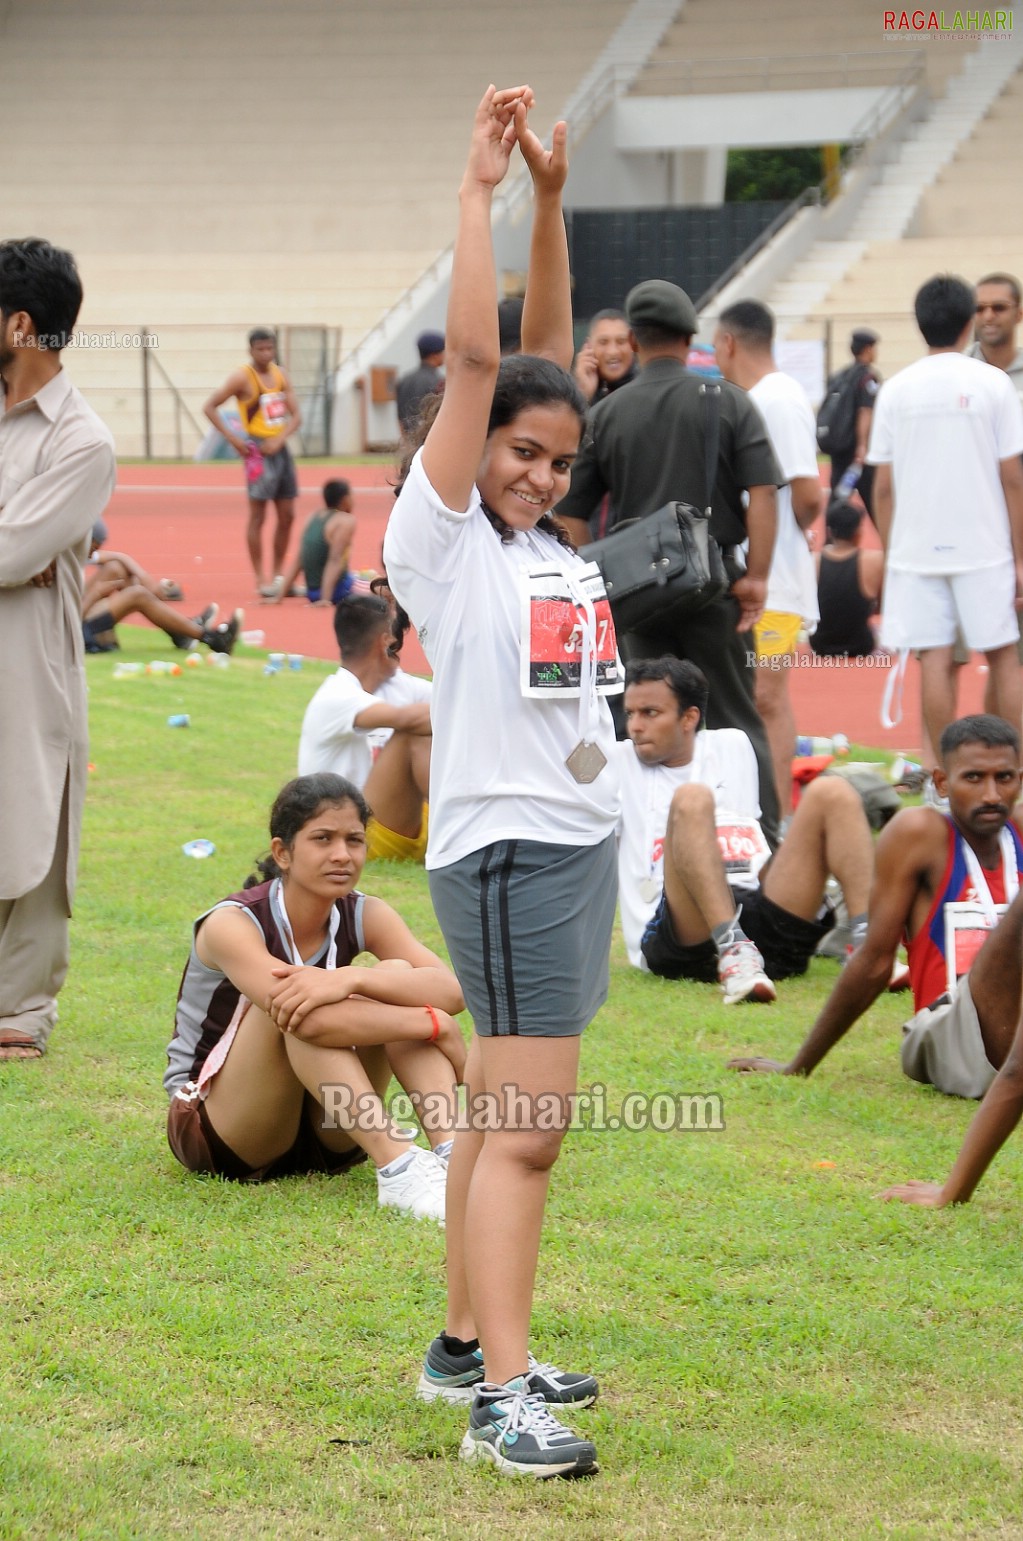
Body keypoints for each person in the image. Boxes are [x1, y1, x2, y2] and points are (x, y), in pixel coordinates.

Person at [383, 86, 617, 1479]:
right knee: (525, 1139)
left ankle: (467, 1348)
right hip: (515, 852)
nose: (537, 470)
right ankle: (503, 1403)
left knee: (489, 1121)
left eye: (554, 458)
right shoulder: (447, 534)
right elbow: (485, 362)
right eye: (515, 454)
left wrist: (543, 200)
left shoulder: (531, 543)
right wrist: (472, 197)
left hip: (564, 843)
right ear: (460, 453)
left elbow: (535, 366)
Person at [164, 773, 465, 1219]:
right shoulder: (233, 923)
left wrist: (354, 980)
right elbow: (307, 1020)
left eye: (355, 840)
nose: (342, 855)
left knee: (397, 974)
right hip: (223, 1132)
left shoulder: (365, 911)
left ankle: (454, 1156)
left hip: (331, 1132)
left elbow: (451, 989)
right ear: (282, 852)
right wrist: (434, 1024)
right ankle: (399, 1165)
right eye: (322, 839)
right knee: (290, 1004)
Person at [555, 277, 783, 848]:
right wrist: (754, 577)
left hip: (636, 598)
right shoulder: (728, 400)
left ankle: (637, 838)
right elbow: (764, 494)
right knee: (734, 719)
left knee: (640, 721)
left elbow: (572, 513)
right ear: (690, 338)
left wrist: (594, 578)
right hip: (713, 586)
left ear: (633, 340)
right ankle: (763, 841)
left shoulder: (607, 413)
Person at [729, 715, 1023, 1100]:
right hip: (953, 1037)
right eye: (973, 778)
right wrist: (799, 1065)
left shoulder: (1017, 831)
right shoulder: (920, 835)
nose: (991, 795)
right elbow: (874, 960)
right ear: (941, 783)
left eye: (1004, 778)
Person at [0, 237, 116, 1060]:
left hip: (26, 664)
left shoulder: (82, 441)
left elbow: (9, 552)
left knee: (33, 818)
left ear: (18, 324)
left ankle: (20, 1009)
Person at [618, 657, 872, 1003]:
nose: (634, 726)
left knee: (835, 792)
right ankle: (733, 949)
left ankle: (869, 944)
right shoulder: (616, 763)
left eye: (649, 713)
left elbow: (751, 841)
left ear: (689, 718)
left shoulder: (733, 746)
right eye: (630, 713)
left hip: (759, 920)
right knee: (692, 799)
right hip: (682, 933)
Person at [870, 276, 1023, 769]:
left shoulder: (895, 389)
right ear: (968, 322)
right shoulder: (995, 383)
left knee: (934, 658)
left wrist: (895, 556)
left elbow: (883, 488)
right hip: (985, 545)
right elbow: (1012, 479)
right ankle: (1013, 774)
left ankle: (945, 774)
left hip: (916, 550)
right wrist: (1020, 557)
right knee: (1002, 655)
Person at [714, 300, 824, 812]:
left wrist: (789, 538)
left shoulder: (776, 399)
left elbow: (807, 493)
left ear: (729, 343)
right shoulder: (758, 397)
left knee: (766, 697)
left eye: (715, 345)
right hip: (762, 575)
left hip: (775, 580)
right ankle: (765, 814)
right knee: (754, 697)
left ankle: (779, 817)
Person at [298, 593, 432, 862]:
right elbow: (417, 719)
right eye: (393, 634)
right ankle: (472, 828)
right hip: (353, 834)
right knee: (412, 734)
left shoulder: (399, 686)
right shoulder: (335, 695)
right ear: (384, 642)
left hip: (400, 818)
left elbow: (451, 699)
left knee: (444, 726)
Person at [203, 328, 302, 599]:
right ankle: (261, 578)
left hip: (279, 449)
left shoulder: (281, 375)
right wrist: (234, 439)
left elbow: (296, 416)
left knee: (287, 514)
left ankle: (280, 575)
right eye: (260, 349)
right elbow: (210, 406)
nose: (266, 354)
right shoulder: (242, 377)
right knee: (258, 515)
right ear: (251, 350)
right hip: (257, 450)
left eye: (270, 348)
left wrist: (281, 439)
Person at [82, 546, 241, 654]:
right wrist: (95, 595)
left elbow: (116, 558)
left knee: (115, 569)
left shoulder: (71, 545)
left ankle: (181, 632)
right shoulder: (59, 553)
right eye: (94, 546)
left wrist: (146, 579)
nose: (94, 553)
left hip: (76, 609)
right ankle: (212, 639)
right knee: (137, 594)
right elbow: (65, 619)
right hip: (71, 624)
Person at [810, 499, 883, 659]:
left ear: (829, 532)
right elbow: (883, 604)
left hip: (821, 644)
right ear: (858, 532)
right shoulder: (875, 560)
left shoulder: (813, 561)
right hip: (861, 644)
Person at [267, 478, 356, 608]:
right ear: (344, 499)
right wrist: (325, 599)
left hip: (312, 592)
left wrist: (279, 597)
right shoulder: (346, 521)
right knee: (374, 584)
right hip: (337, 591)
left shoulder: (312, 517)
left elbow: (300, 558)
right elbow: (335, 560)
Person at [828, 328, 881, 519]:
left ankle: (830, 542)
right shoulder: (868, 377)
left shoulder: (841, 376)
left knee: (837, 497)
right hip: (858, 451)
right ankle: (888, 542)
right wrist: (862, 446)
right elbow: (865, 411)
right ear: (867, 350)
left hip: (839, 446)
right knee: (876, 499)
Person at [967, 271, 1023, 405]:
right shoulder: (958, 371)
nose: (988, 316)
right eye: (979, 308)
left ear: (1019, 315)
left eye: (999, 307)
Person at [572, 309, 636, 405]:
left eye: (621, 341)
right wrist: (583, 395)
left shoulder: (648, 388)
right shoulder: (568, 391)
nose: (612, 351)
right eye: (603, 342)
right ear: (588, 346)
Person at [396, 331, 446, 438]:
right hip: (430, 439)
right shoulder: (439, 381)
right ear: (435, 355)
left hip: (409, 439)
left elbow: (400, 416)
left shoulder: (405, 379)